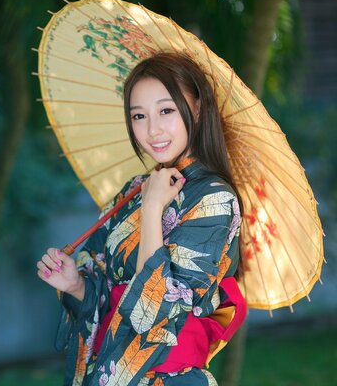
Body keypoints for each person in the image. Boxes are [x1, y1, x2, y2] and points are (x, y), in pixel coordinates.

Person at [36, 52, 245, 386]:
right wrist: (75, 284)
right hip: (109, 372)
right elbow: (104, 288)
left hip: (166, 377)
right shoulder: (134, 190)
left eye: (166, 110)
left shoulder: (214, 199)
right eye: (138, 115)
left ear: (196, 109)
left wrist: (151, 210)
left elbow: (154, 312)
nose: (152, 130)